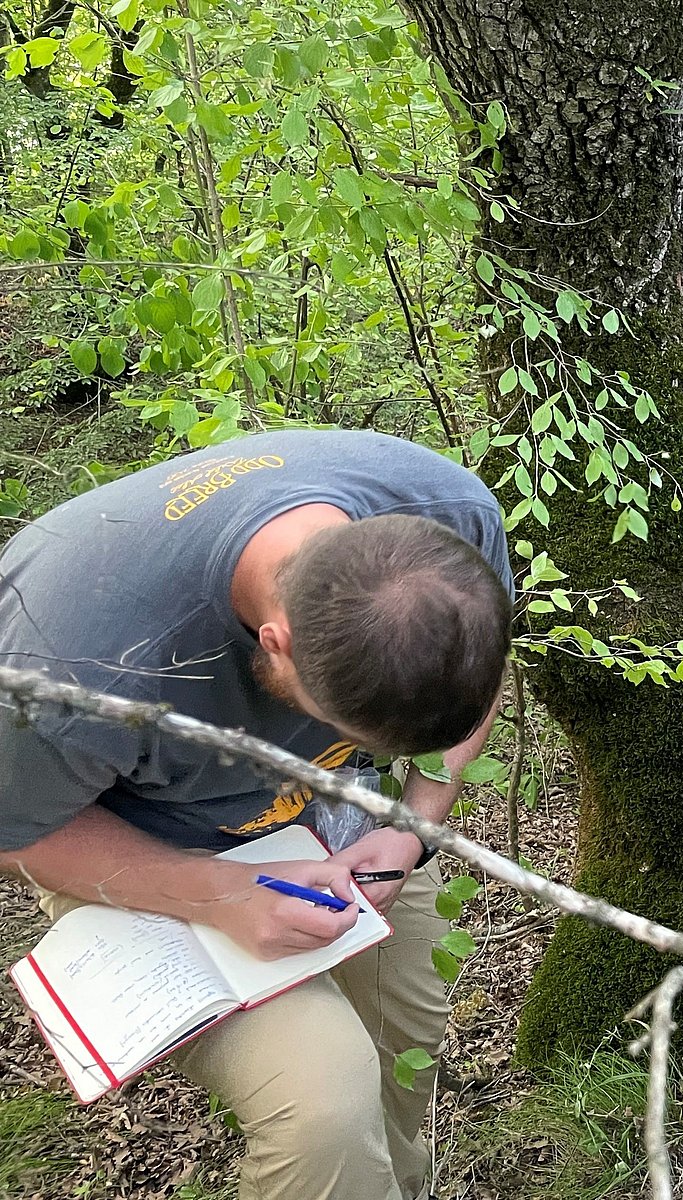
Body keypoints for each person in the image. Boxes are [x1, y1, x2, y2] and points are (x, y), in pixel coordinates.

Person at [0, 428, 514, 1200]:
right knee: (325, 1107)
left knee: (407, 1033)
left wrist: (409, 828)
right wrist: (223, 895)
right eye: (341, 727)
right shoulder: (68, 667)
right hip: (144, 846)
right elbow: (21, 834)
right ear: (275, 643)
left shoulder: (449, 523)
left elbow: (477, 681)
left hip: (344, 825)